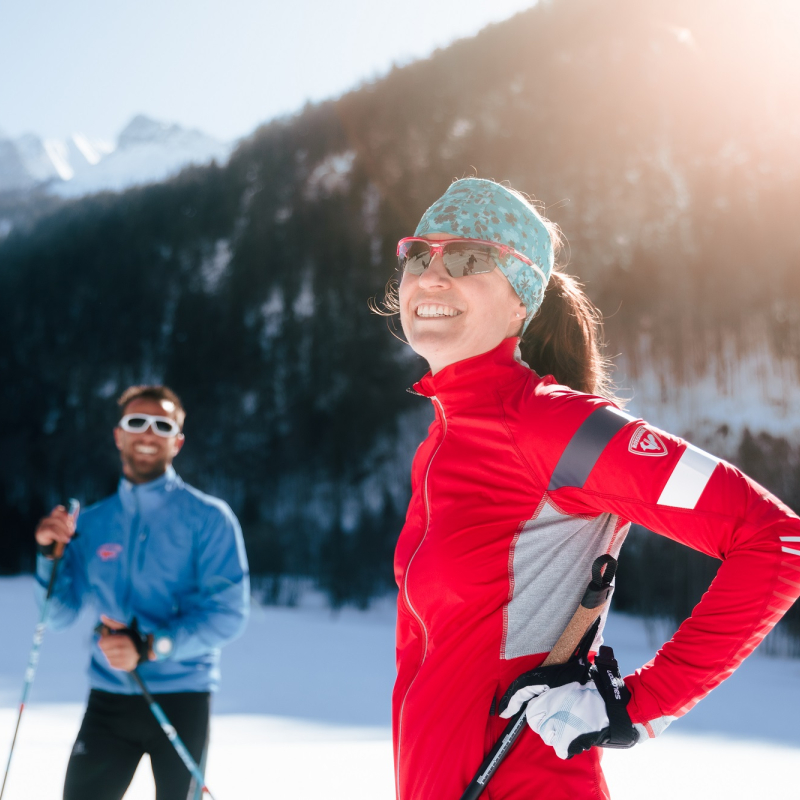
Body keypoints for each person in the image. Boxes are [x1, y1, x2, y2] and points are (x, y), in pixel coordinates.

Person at [384, 178, 800, 799]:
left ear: (521, 298)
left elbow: (776, 539)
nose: (432, 277)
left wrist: (639, 702)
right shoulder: (444, 439)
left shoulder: (551, 423)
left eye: (468, 258)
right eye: (420, 255)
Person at [34, 384, 249, 800]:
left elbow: (229, 615)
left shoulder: (209, 519)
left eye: (162, 424)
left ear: (177, 441)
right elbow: (56, 616)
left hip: (183, 698)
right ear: (119, 435)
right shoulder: (92, 523)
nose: (148, 433)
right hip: (109, 699)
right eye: (136, 422)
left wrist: (152, 646)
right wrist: (49, 555)